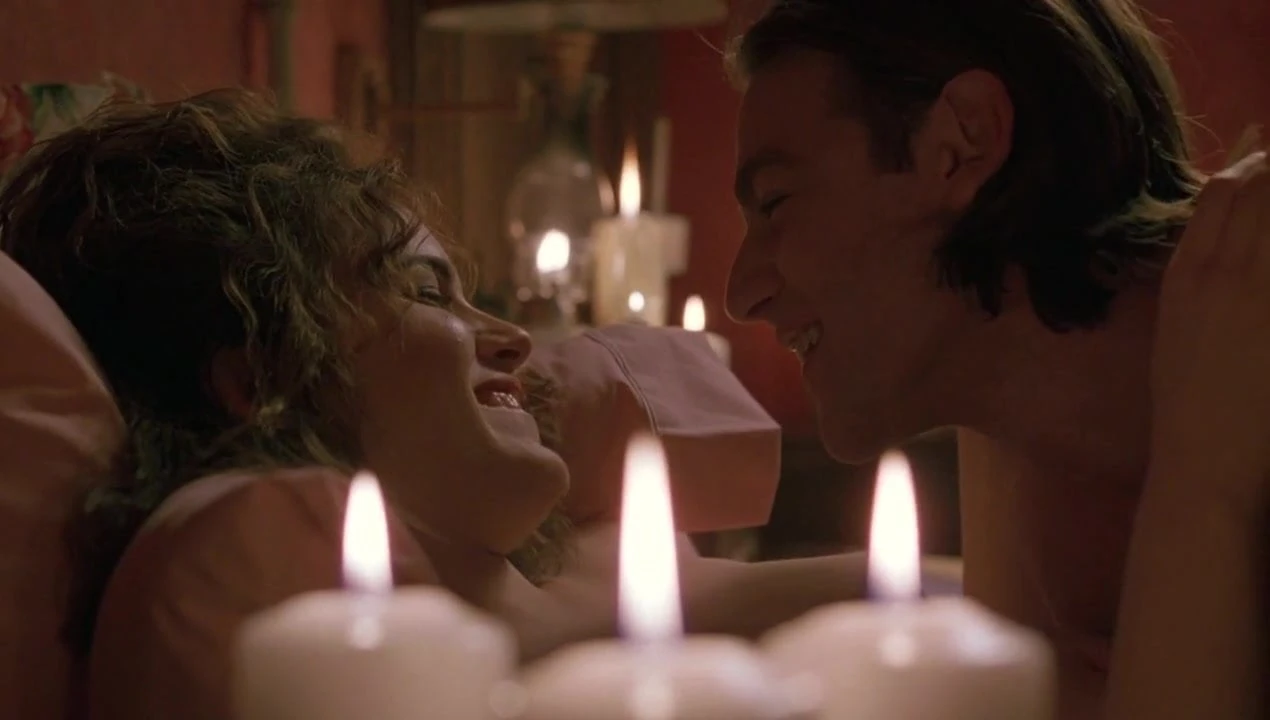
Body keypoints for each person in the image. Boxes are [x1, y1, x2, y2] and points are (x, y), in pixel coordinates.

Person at [0, 89, 895, 719]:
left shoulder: (583, 546)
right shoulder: (256, 552)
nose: (511, 338)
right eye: (428, 292)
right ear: (265, 380)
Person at [724, 1, 1269, 718]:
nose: (741, 294)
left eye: (776, 202)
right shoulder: (1012, 406)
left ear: (963, 141)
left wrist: (1203, 487)